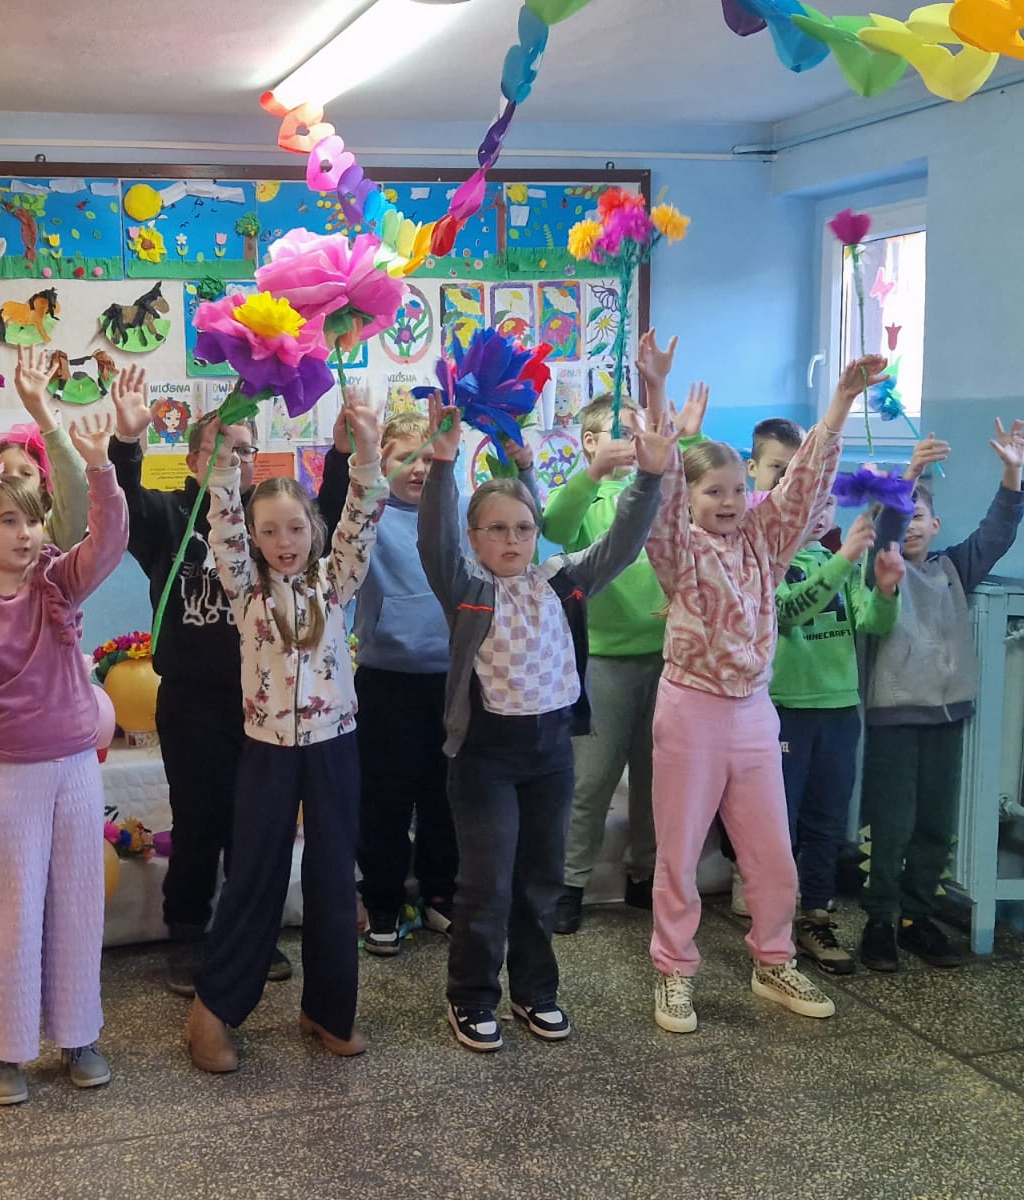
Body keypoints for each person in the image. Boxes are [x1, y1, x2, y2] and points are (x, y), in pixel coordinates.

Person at [645, 355, 887, 1035]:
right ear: (692, 499)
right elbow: (662, 496)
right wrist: (658, 396)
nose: (727, 502)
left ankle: (774, 960)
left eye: (734, 490)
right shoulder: (679, 549)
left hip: (753, 712)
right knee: (679, 852)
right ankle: (673, 971)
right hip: (690, 710)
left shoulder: (763, 541)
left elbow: (804, 484)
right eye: (712, 492)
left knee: (772, 853)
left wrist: (840, 401)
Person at [419, 399, 668, 1052]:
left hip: (551, 755)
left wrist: (650, 478)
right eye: (496, 529)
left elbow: (623, 542)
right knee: (486, 884)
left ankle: (535, 991)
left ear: (537, 534)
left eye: (523, 528)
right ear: (474, 538)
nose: (511, 540)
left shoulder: (561, 581)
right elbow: (434, 541)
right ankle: (472, 997)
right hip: (485, 760)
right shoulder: (467, 588)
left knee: (539, 882)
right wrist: (443, 466)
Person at [0, 410, 127, 1106]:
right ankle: (2, 1049)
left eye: (33, 520)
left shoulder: (57, 583)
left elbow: (110, 540)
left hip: (73, 768)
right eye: (9, 520)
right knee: (10, 915)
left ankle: (79, 1035)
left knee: (76, 907)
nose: (26, 533)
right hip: (4, 776)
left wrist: (100, 468)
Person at [184, 396, 387, 1073]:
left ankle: (328, 1009)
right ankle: (212, 1012)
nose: (284, 541)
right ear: (254, 537)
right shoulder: (245, 586)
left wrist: (366, 451)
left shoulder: (335, 580)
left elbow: (362, 515)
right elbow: (222, 521)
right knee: (255, 878)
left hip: (335, 748)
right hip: (267, 753)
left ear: (314, 529)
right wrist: (220, 463)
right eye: (269, 530)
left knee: (332, 879)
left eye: (296, 527)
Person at [107, 368, 292, 995]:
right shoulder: (170, 514)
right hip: (190, 702)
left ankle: (247, 933)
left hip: (261, 700)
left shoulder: (269, 521)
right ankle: (187, 932)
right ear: (192, 461)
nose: (236, 460)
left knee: (254, 824)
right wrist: (126, 445)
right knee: (198, 822)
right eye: (221, 448)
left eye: (246, 450)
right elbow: (124, 506)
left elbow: (318, 530)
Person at [540, 331, 707, 934]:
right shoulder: (589, 496)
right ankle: (570, 882)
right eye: (627, 430)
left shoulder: (659, 490)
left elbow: (697, 494)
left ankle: (643, 874)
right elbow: (554, 529)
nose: (639, 439)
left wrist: (687, 439)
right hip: (604, 661)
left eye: (643, 429)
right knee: (591, 779)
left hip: (667, 659)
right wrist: (591, 474)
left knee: (658, 780)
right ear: (592, 441)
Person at [0, 345, 90, 1018]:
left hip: (56, 732)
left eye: (25, 479)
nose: (11, 485)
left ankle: (57, 991)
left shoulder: (53, 557)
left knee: (56, 871)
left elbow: (82, 501)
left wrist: (45, 415)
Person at [859, 424, 1024, 971]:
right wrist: (909, 475)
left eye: (919, 515)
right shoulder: (880, 571)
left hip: (947, 715)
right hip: (893, 716)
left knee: (935, 824)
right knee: (891, 823)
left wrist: (1012, 473)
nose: (909, 524)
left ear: (935, 525)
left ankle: (916, 917)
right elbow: (887, 534)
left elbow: (995, 534)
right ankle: (880, 920)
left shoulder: (953, 569)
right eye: (900, 515)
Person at [316, 407, 461, 955]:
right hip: (385, 680)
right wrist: (345, 455)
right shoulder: (369, 513)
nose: (418, 468)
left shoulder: (457, 511)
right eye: (405, 457)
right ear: (383, 462)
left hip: (451, 681)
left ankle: (441, 893)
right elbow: (332, 513)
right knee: (384, 799)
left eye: (428, 457)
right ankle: (383, 899)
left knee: (445, 796)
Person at [772, 504, 905, 974]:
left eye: (827, 502)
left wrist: (885, 591)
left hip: (840, 708)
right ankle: (773, 927)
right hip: (786, 708)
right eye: (809, 501)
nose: (819, 511)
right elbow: (789, 612)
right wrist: (846, 557)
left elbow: (871, 622)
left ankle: (816, 916)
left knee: (827, 822)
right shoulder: (769, 558)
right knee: (779, 825)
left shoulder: (837, 560)